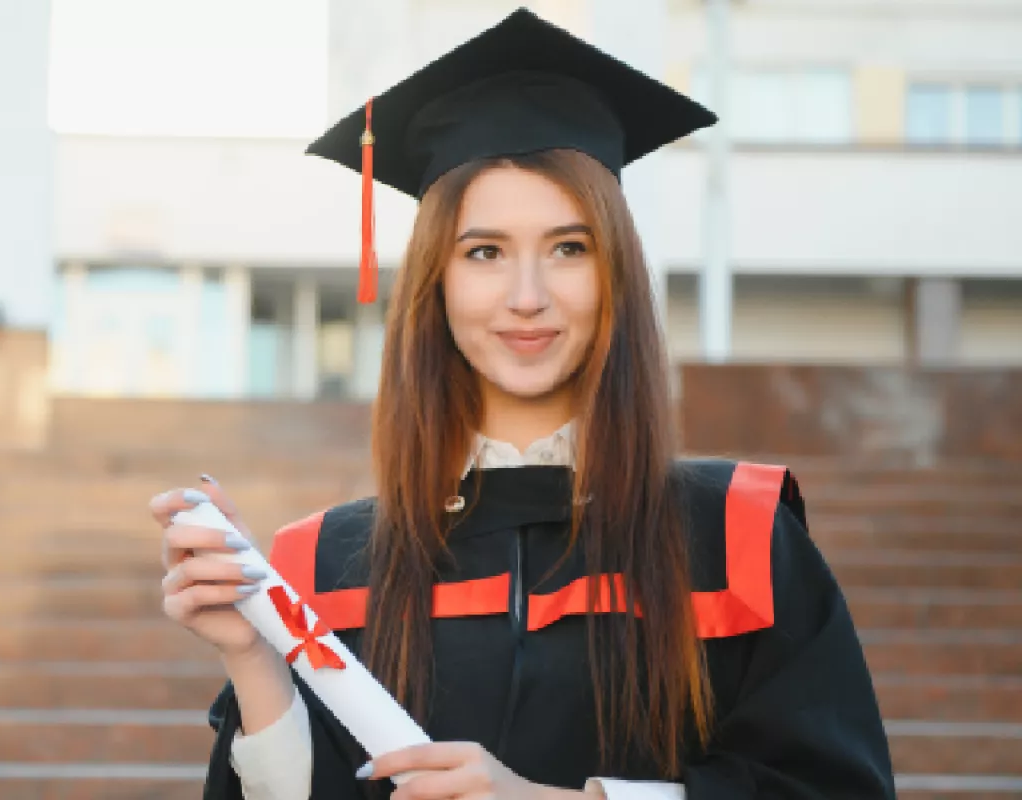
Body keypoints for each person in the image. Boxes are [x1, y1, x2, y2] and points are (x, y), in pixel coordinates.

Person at [150, 8, 896, 800]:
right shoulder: (319, 569)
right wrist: (257, 660)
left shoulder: (737, 538)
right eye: (485, 252)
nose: (528, 296)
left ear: (615, 273)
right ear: (435, 282)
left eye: (569, 248)